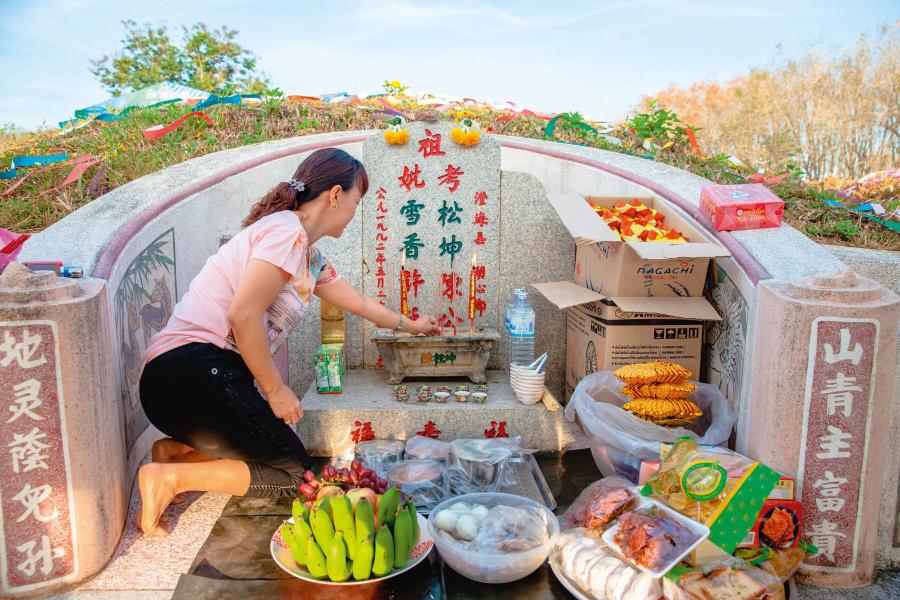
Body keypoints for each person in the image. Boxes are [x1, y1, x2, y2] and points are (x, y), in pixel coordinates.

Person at [137, 148, 441, 537]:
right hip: (189, 374)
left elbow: (359, 303)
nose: (355, 210)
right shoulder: (285, 231)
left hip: (187, 384)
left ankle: (174, 454)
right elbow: (243, 314)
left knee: (287, 460)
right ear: (335, 195)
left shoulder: (308, 256)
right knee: (295, 476)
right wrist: (275, 389)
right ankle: (170, 479)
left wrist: (412, 326)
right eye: (355, 200)